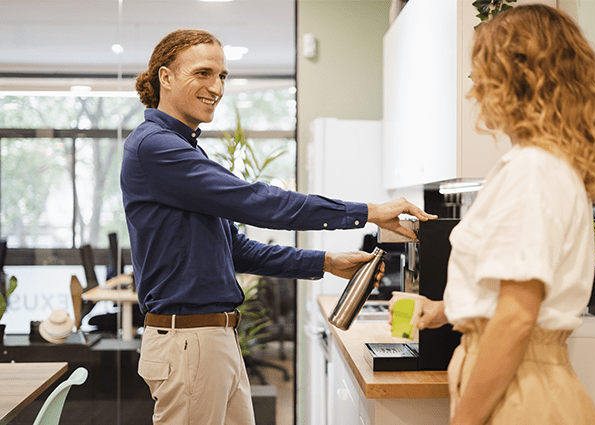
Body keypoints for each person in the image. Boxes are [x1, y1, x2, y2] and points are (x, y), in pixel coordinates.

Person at [120, 28, 437, 425]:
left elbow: (235, 249)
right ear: (165, 77)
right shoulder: (156, 147)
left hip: (211, 340)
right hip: (189, 341)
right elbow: (255, 201)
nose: (216, 86)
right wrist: (368, 211)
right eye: (202, 73)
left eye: (222, 76)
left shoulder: (183, 148)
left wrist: (325, 261)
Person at [389, 5, 595, 425]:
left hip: (521, 391)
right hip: (522, 379)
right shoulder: (539, 165)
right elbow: (513, 297)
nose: (473, 91)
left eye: (483, 75)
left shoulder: (534, 170)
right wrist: (444, 309)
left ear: (521, 79)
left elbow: (516, 319)